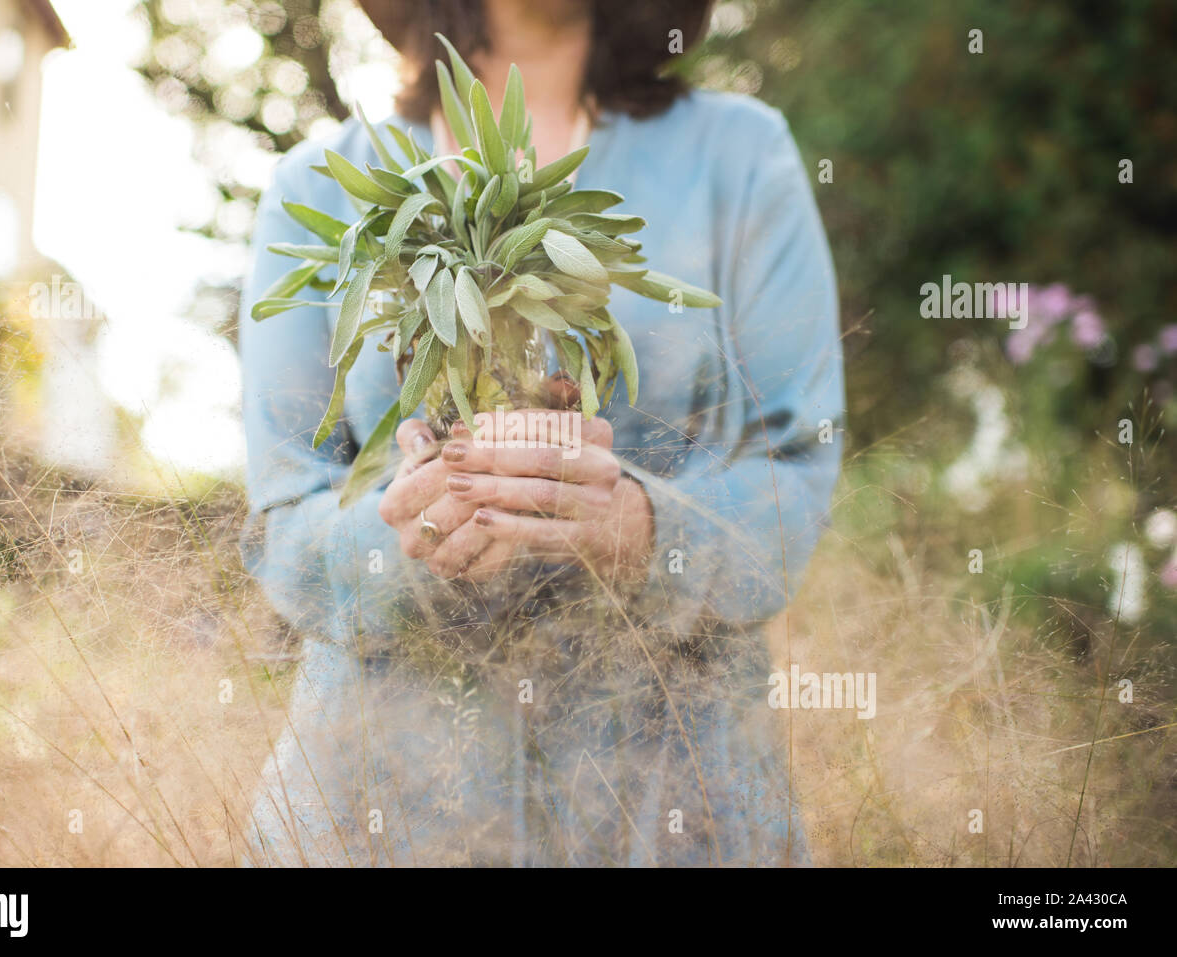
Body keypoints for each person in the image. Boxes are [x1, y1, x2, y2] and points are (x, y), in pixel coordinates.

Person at [239, 0, 844, 866]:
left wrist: (642, 530)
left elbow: (797, 467)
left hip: (675, 807)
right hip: (384, 811)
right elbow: (284, 519)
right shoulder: (319, 182)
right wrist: (404, 538)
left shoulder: (739, 157)